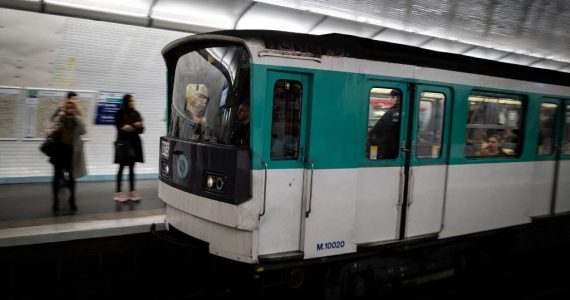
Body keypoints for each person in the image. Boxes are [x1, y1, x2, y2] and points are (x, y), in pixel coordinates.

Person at [50, 100, 87, 213]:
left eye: (72, 108)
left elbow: (83, 131)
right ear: (65, 108)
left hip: (71, 152)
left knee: (71, 177)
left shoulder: (77, 120)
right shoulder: (60, 118)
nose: (69, 110)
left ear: (74, 109)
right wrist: (57, 124)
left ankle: (72, 200)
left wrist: (77, 118)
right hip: (59, 151)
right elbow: (52, 128)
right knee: (56, 177)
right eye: (68, 107)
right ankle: (55, 201)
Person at [114, 94, 144, 202]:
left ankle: (132, 191)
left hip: (134, 144)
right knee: (121, 167)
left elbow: (141, 130)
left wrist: (134, 126)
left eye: (133, 101)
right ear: (126, 101)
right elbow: (122, 128)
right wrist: (135, 125)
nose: (132, 102)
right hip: (123, 144)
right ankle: (118, 192)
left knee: (132, 168)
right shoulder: (120, 113)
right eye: (130, 101)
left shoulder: (136, 113)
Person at [367, 89, 401, 159]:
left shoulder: (391, 112)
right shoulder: (408, 111)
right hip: (398, 147)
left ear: (395, 98)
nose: (390, 99)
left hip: (389, 149)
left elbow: (377, 128)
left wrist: (369, 134)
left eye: (390, 97)